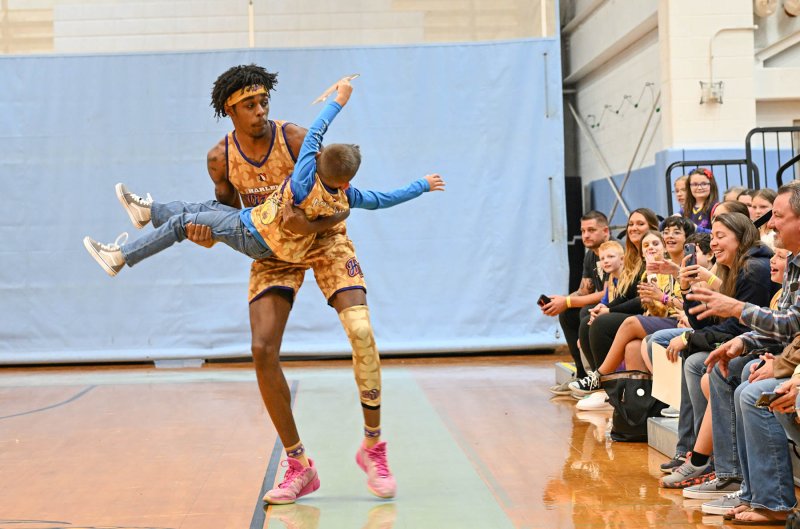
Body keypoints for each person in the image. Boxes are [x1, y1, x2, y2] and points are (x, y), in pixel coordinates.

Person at [83, 81, 445, 276]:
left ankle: (122, 258)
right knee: (203, 209)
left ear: (317, 161)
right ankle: (149, 212)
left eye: (263, 103)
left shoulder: (304, 171)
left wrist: (341, 97)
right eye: (250, 104)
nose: (260, 111)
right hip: (250, 223)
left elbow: (318, 129)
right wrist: (423, 185)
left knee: (182, 224)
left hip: (256, 235)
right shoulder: (349, 196)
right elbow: (387, 197)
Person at [656, 213, 774, 489]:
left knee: (711, 368)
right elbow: (705, 319)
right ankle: (703, 457)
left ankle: (723, 468)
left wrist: (689, 337)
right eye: (712, 237)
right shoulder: (730, 268)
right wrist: (686, 290)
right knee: (696, 361)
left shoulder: (753, 269)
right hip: (747, 341)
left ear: (741, 237)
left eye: (721, 237)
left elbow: (738, 329)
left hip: (759, 346)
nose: (714, 243)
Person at [570, 208, 660, 395]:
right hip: (637, 310)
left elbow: (642, 299)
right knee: (589, 317)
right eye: (631, 224)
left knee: (602, 323)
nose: (634, 228)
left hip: (649, 312)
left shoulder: (652, 256)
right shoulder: (632, 257)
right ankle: (597, 385)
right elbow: (625, 295)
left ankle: (606, 384)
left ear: (652, 227)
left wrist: (608, 312)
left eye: (640, 224)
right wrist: (606, 307)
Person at [542, 211, 610, 393]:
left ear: (606, 231)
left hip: (616, 304)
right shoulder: (590, 255)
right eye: (583, 230)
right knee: (567, 313)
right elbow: (584, 290)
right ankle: (581, 374)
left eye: (591, 230)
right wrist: (560, 301)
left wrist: (569, 301)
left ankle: (597, 378)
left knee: (583, 311)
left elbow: (608, 292)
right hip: (602, 303)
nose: (586, 235)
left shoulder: (613, 252)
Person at [683, 168, 719, 233]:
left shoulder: (717, 208)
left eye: (704, 184)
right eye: (695, 184)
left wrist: (696, 229)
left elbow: (719, 233)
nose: (699, 188)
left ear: (712, 185)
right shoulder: (686, 208)